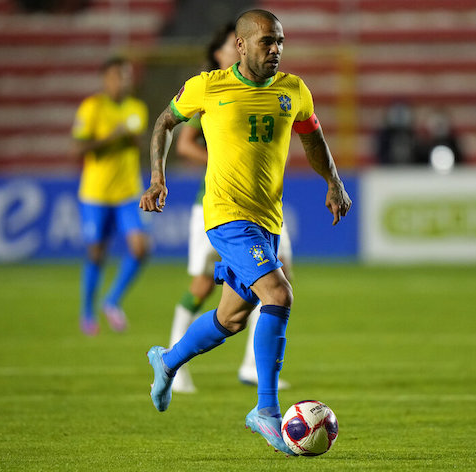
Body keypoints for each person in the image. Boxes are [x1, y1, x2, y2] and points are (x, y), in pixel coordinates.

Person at [139, 9, 351, 455]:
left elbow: (312, 138)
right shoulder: (208, 86)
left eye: (280, 42)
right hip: (226, 215)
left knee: (231, 318)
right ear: (241, 44)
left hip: (267, 219)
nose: (275, 50)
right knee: (280, 294)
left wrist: (333, 180)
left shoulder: (294, 91)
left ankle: (168, 360)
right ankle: (266, 412)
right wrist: (157, 178)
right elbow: (163, 123)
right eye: (266, 42)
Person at [169, 22, 292, 393]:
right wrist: (222, 162)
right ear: (230, 51)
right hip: (215, 208)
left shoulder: (268, 90)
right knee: (204, 285)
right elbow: (183, 142)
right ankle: (176, 360)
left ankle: (252, 365)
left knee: (269, 285)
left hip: (263, 211)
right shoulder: (210, 90)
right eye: (226, 47)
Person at [71, 57, 149, 336]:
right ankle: (87, 312)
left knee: (141, 249)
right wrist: (111, 137)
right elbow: (79, 147)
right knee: (96, 253)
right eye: (118, 76)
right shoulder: (92, 108)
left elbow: (138, 142)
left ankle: (111, 299)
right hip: (96, 193)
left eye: (127, 76)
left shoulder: (137, 109)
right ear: (106, 79)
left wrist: (130, 138)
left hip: (128, 191)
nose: (124, 82)